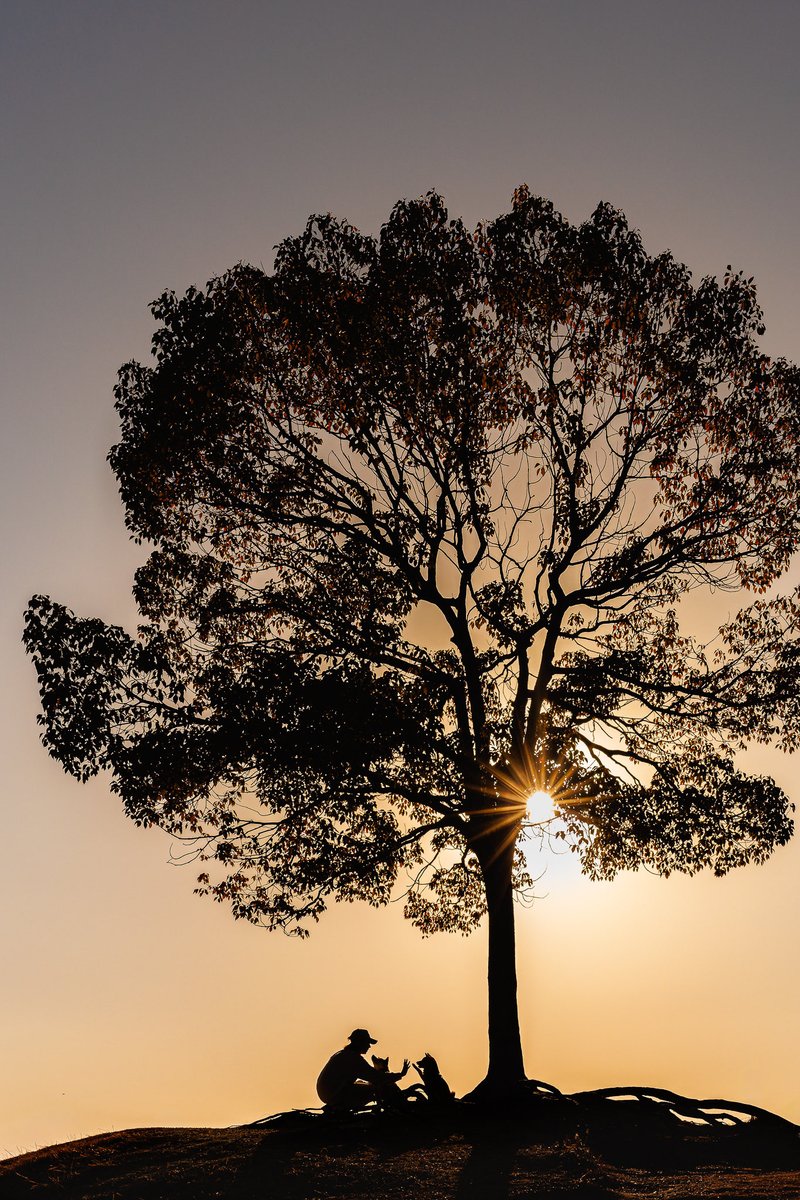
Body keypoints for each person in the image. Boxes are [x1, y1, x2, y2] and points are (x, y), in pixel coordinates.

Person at [316, 1028, 409, 1111]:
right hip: (334, 1094)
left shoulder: (344, 1054)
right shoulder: (352, 1058)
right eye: (367, 1043)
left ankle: (339, 1108)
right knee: (376, 1088)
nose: (369, 1046)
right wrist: (400, 1074)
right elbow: (375, 1077)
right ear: (360, 1042)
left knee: (363, 1084)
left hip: (329, 1093)